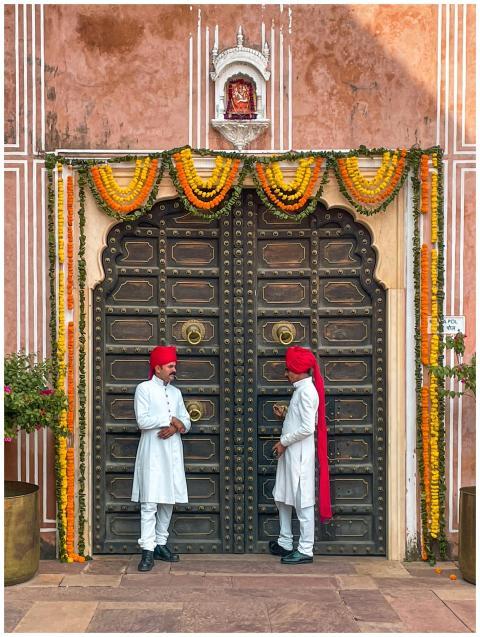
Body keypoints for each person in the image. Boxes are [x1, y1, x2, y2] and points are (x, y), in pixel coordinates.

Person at [269, 345, 332, 564]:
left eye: (288, 369)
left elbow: (307, 428)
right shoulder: (301, 390)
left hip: (299, 455)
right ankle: (285, 542)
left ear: (298, 370)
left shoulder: (306, 392)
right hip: (290, 454)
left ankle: (305, 549)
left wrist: (283, 442)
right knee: (283, 497)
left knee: (303, 502)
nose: (286, 374)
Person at [131, 345, 191, 572]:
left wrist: (177, 427)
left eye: (174, 366)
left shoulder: (176, 393)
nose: (174, 370)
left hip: (172, 451)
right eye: (170, 366)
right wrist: (170, 418)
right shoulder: (144, 389)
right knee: (150, 503)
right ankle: (147, 549)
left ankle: (160, 543)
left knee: (168, 500)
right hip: (152, 451)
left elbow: (186, 421)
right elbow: (143, 421)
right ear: (157, 368)